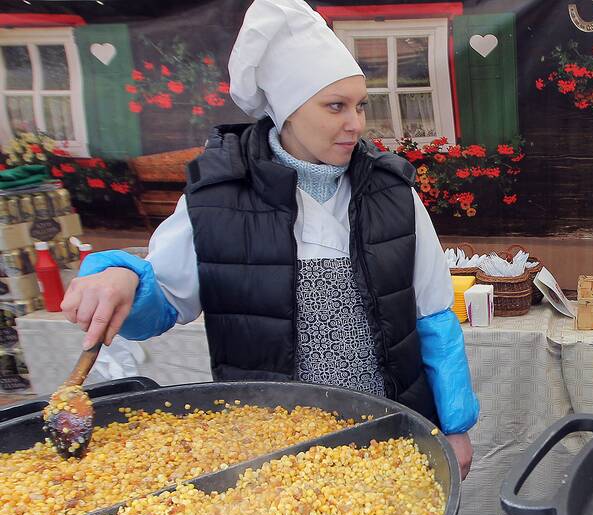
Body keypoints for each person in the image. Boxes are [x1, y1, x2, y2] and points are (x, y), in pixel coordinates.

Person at [60, 0, 479, 476]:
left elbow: (433, 318)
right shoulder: (218, 200)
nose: (357, 124)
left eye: (361, 105)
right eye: (335, 106)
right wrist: (121, 278)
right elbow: (164, 301)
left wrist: (455, 426)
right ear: (288, 110)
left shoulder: (392, 193)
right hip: (271, 449)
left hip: (388, 430)